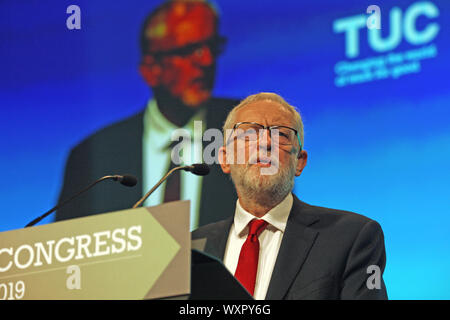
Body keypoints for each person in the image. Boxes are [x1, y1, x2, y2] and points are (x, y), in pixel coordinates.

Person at [55, 0, 239, 229]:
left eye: (212, 47)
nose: (206, 61)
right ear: (151, 70)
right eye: (189, 51)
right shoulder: (94, 157)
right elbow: (69, 251)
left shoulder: (247, 131)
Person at [192, 92, 388, 300]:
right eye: (250, 133)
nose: (266, 142)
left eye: (282, 135)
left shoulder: (351, 237)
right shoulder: (193, 245)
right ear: (225, 159)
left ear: (300, 162)